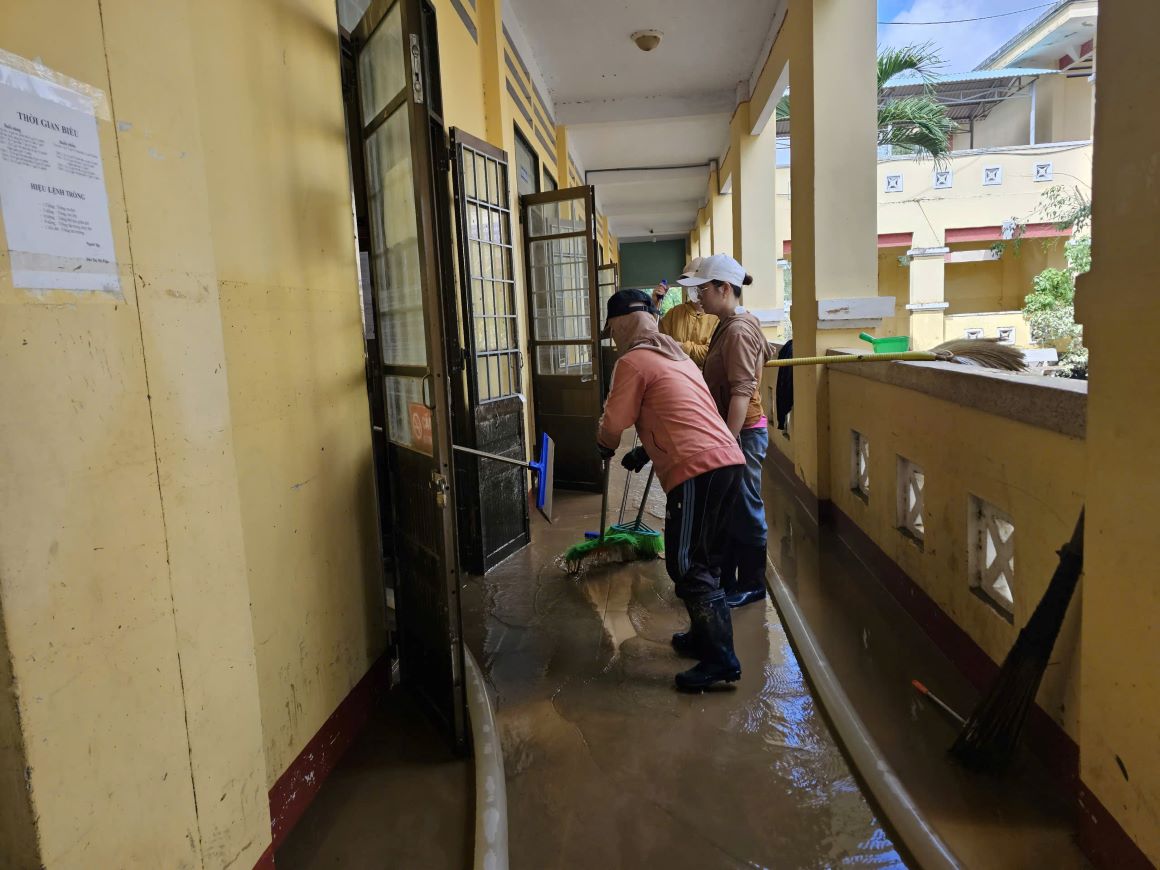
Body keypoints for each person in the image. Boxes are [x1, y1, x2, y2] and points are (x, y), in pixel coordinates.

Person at [596, 289, 746, 691]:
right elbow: (681, 413)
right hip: (726, 462)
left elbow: (615, 421)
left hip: (699, 470)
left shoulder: (633, 361)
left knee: (686, 564)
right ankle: (702, 637)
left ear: (622, 325)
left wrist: (604, 445)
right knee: (707, 557)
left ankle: (719, 659)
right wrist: (646, 452)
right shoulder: (675, 355)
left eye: (612, 330)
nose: (612, 339)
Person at [679, 254, 770, 609]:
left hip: (743, 432)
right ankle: (732, 578)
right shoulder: (728, 322)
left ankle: (753, 582)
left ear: (724, 288)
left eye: (703, 289)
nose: (698, 296)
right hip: (734, 432)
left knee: (746, 505)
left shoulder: (739, 330)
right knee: (731, 507)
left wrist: (727, 443)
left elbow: (742, 393)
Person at [659, 257, 718, 368]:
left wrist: (680, 347)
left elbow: (712, 354)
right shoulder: (675, 313)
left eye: (698, 284)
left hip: (706, 381)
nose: (694, 288)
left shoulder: (718, 316)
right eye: (689, 284)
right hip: (677, 377)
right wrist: (656, 304)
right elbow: (659, 341)